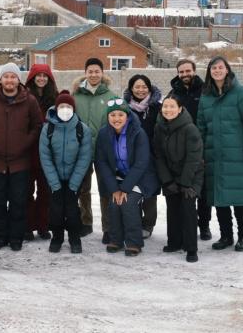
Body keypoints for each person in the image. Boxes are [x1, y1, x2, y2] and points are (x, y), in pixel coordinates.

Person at [0, 62, 43, 251]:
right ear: (1, 79)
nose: (9, 80)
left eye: (13, 76)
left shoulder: (29, 100)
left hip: (20, 162)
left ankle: (15, 238)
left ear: (18, 80)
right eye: (6, 76)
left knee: (18, 202)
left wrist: (25, 143)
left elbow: (37, 125)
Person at [197, 56, 243, 252]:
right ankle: (226, 236)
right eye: (213, 68)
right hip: (213, 154)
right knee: (219, 198)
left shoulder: (240, 93)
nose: (216, 71)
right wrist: (200, 154)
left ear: (227, 70)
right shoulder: (206, 96)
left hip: (237, 153)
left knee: (238, 197)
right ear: (209, 72)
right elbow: (200, 127)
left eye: (220, 67)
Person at [95, 98, 158, 256]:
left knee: (128, 202)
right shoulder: (103, 134)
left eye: (120, 115)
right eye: (113, 115)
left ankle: (133, 242)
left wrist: (124, 188)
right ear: (108, 117)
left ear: (127, 116)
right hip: (119, 176)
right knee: (115, 202)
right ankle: (116, 239)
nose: (116, 119)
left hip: (140, 177)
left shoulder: (138, 132)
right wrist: (114, 188)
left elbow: (141, 163)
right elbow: (102, 162)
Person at [39, 90, 92, 253]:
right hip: (54, 180)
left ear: (73, 109)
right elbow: (45, 157)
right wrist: (55, 184)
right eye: (62, 106)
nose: (65, 109)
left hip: (73, 180)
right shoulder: (47, 129)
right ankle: (57, 238)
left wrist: (73, 185)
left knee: (72, 210)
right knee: (55, 210)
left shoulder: (82, 129)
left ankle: (75, 239)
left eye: (68, 106)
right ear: (56, 108)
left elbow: (84, 158)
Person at [153, 94, 204, 263]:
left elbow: (194, 158)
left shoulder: (190, 128)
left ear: (180, 108)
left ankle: (191, 248)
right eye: (165, 106)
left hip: (190, 176)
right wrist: (167, 180)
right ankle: (174, 242)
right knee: (172, 208)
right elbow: (158, 155)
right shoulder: (159, 128)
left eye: (172, 106)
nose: (168, 110)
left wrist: (184, 182)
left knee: (188, 210)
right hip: (171, 176)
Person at [72, 58, 117, 241]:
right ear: (85, 72)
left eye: (97, 71)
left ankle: (108, 227)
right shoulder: (76, 96)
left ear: (102, 73)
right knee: (83, 189)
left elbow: (117, 122)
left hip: (103, 151)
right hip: (82, 150)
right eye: (90, 71)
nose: (93, 75)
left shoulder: (110, 96)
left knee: (106, 189)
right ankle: (86, 222)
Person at [169, 58, 211, 241]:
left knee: (202, 190)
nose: (185, 75)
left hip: (201, 147)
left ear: (194, 71)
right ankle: (187, 225)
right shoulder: (173, 94)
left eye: (188, 71)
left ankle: (204, 226)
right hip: (180, 150)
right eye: (181, 72)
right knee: (184, 190)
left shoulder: (205, 91)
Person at [123, 74, 161, 239]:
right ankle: (135, 222)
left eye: (144, 87)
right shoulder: (125, 108)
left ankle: (148, 224)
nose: (140, 90)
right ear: (131, 89)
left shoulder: (157, 108)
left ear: (149, 88)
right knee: (133, 190)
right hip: (131, 158)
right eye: (137, 87)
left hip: (152, 157)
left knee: (150, 193)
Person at [24, 63, 58, 241]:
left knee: (45, 191)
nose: (42, 79)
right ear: (32, 78)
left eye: (45, 76)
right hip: (28, 149)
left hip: (48, 152)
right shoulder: (24, 96)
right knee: (27, 190)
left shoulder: (55, 98)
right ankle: (28, 226)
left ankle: (43, 225)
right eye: (38, 75)